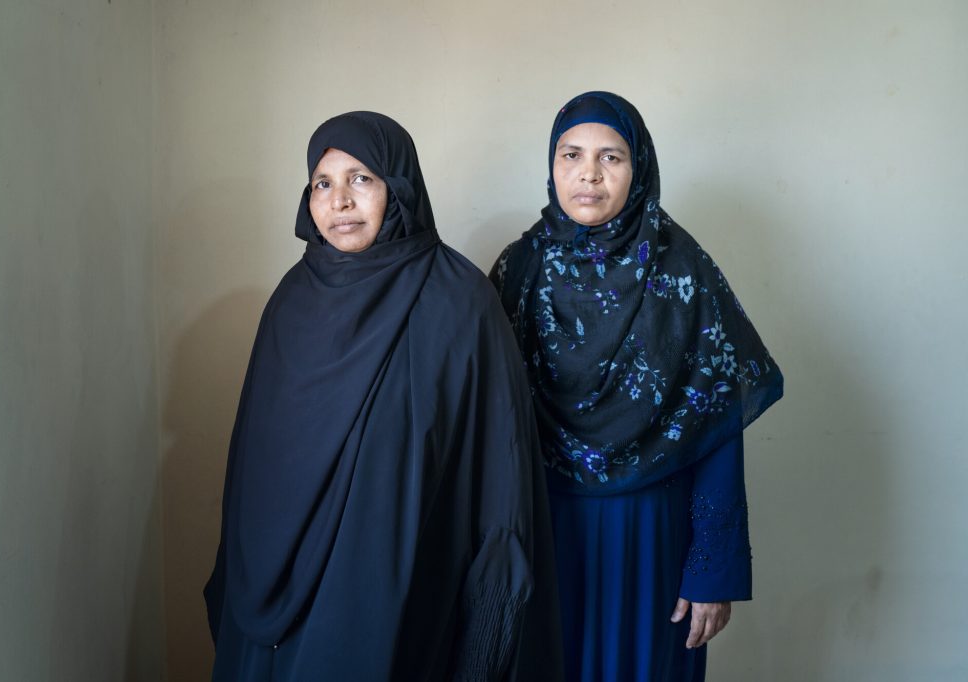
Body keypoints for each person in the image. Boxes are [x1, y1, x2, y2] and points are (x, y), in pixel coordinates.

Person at [203, 111, 562, 681]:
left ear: (399, 187)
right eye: (323, 183)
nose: (339, 201)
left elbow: (502, 465)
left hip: (399, 582)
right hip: (272, 587)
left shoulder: (460, 300)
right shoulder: (291, 300)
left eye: (361, 179)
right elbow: (251, 460)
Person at [489, 92, 784, 681]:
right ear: (552, 165)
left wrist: (712, 571)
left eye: (611, 157)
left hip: (653, 533)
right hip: (542, 527)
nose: (589, 174)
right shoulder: (518, 269)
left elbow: (716, 424)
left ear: (639, 167)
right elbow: (488, 419)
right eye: (571, 154)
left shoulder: (683, 271)